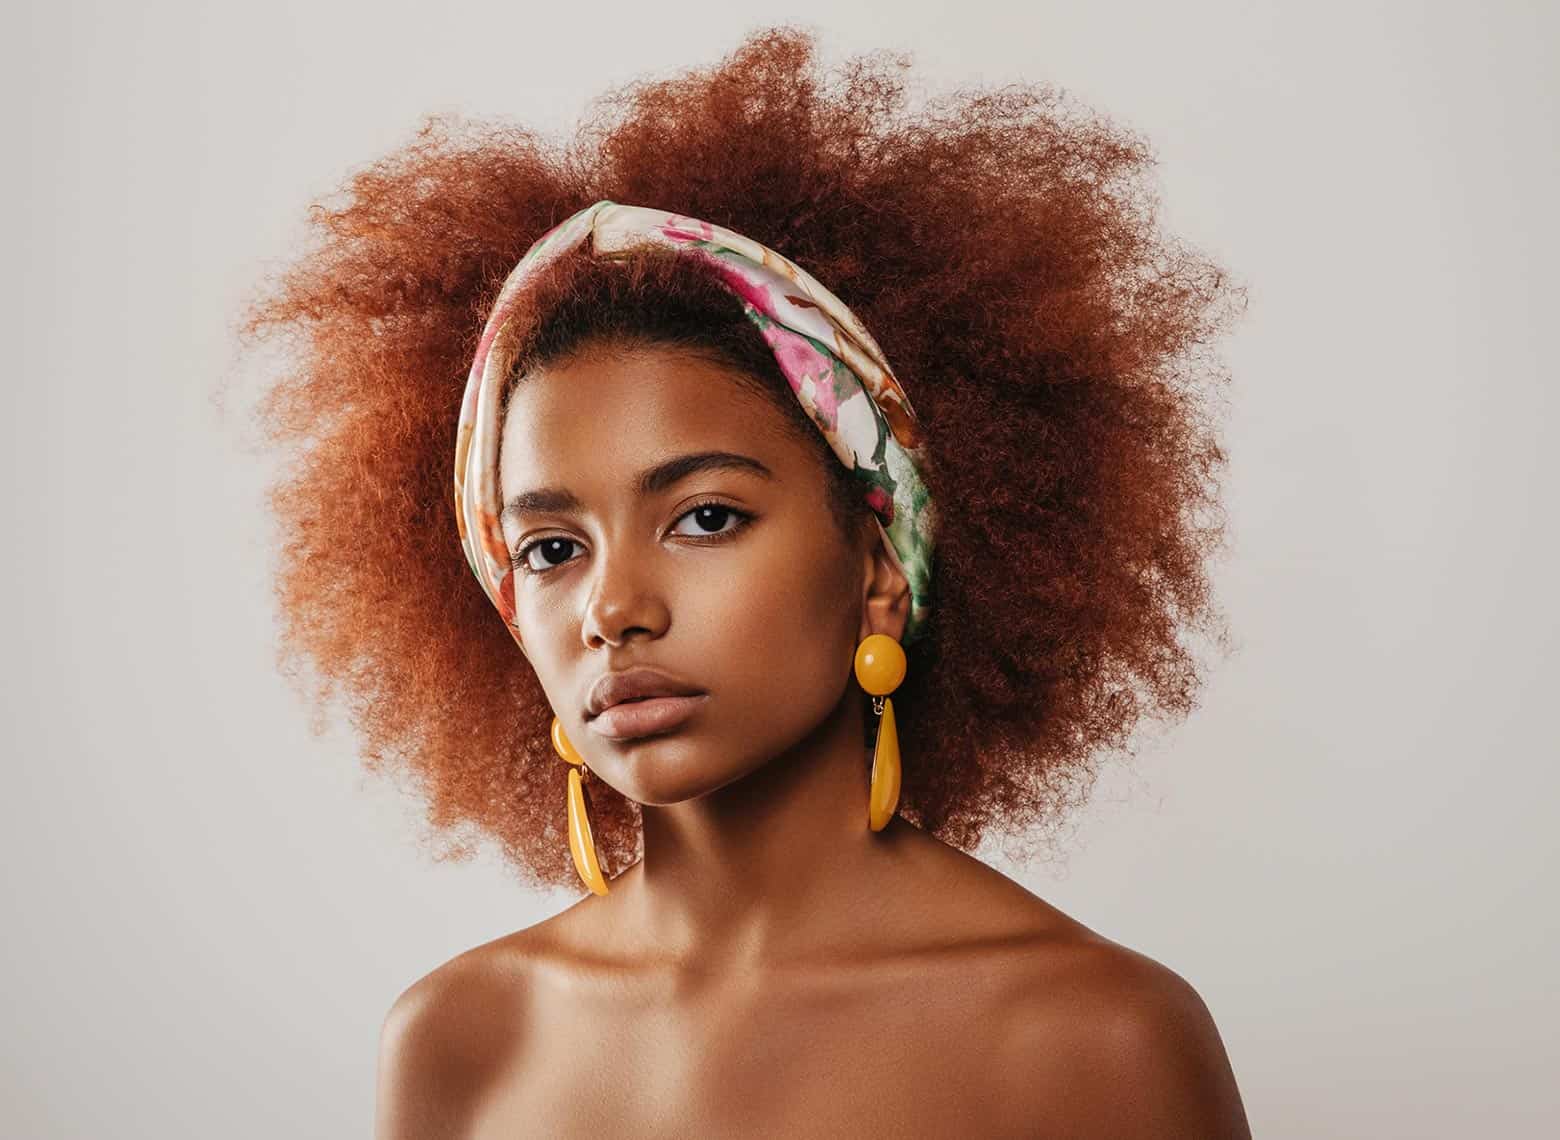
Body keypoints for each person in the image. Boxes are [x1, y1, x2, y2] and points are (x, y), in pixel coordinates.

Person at [240, 26, 1251, 1138]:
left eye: (705, 517)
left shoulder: (1091, 1042)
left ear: (877, 569)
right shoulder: (460, 1041)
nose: (613, 609)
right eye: (551, 550)